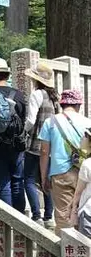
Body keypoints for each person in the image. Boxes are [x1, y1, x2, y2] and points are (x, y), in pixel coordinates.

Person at [39, 88, 91, 231]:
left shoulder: (50, 122)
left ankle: (66, 249)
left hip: (60, 173)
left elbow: (44, 152)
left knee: (63, 215)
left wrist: (43, 178)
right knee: (84, 211)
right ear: (78, 105)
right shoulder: (87, 122)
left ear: (61, 105)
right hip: (85, 172)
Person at [0, 58, 26, 212]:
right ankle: (21, 219)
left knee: (3, 182)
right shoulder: (18, 95)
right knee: (18, 181)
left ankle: (7, 221)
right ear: (7, 75)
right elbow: (24, 118)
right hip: (17, 143)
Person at [23, 61, 58, 228]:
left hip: (35, 142)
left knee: (28, 179)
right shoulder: (54, 98)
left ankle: (36, 214)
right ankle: (49, 216)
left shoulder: (37, 94)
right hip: (51, 145)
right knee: (47, 179)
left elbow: (31, 119)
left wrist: (23, 131)